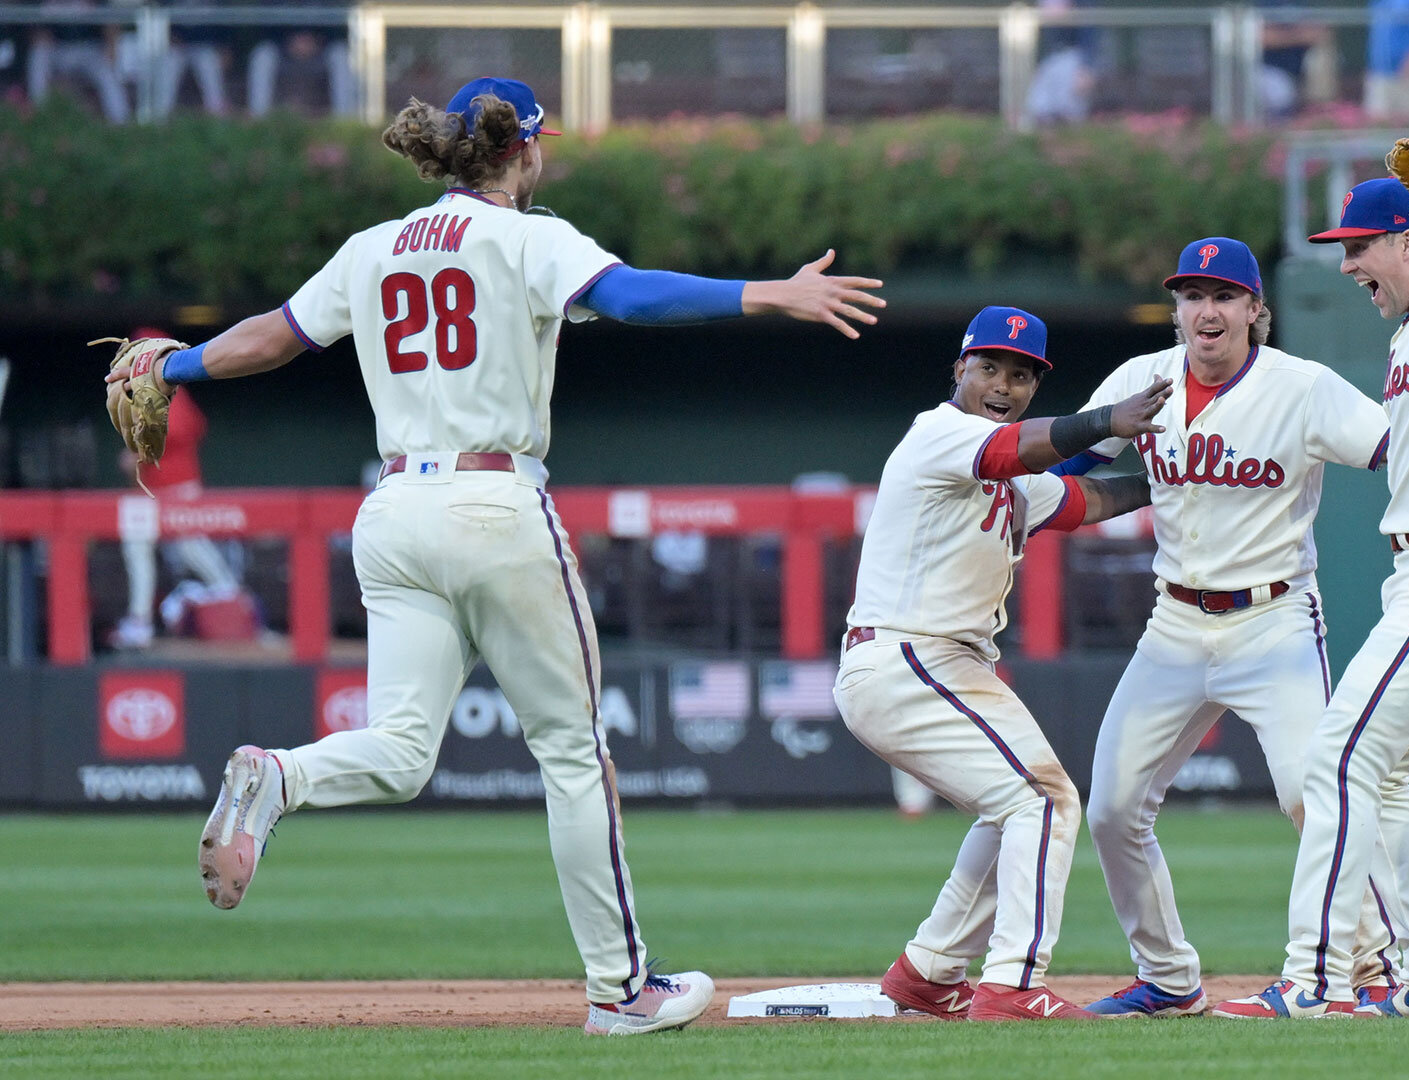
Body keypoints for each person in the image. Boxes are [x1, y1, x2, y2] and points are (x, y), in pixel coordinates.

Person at [141, 76, 885, 1037]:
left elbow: (273, 339)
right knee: (573, 753)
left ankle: (278, 777)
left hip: (395, 505)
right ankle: (621, 991)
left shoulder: (372, 249)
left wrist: (177, 363)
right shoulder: (530, 236)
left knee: (403, 751)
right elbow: (632, 297)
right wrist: (767, 292)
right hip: (495, 500)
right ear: (524, 149)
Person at [1053, 238, 1405, 1019]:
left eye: (1223, 295)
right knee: (1111, 808)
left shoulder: (1303, 387)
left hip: (1274, 618)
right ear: (1176, 310)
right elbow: (1068, 463)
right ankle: (1169, 979)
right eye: (1191, 295)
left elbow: (1397, 448)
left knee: (1313, 796)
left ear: (1257, 311)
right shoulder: (1141, 379)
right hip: (1173, 621)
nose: (1206, 311)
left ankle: (1375, 965)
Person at [1216, 174, 1409, 1019]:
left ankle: (1312, 982)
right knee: (1381, 777)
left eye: (1360, 246)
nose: (1348, 263)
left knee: (1337, 761)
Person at [838, 307, 1172, 1022]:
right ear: (959, 369)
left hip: (938, 664)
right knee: (1044, 800)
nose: (1003, 384)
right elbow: (1018, 449)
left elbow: (1086, 500)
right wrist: (1112, 418)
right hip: (909, 656)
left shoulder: (1013, 476)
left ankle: (929, 969)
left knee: (1015, 805)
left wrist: (1172, 480)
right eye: (989, 367)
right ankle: (1014, 984)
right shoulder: (942, 434)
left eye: (1020, 375)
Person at [108, 344, 242, 652]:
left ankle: (232, 599)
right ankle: (140, 621)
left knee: (190, 546)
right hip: (155, 490)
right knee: (139, 544)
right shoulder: (142, 386)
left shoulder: (167, 381)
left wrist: (140, 450)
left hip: (178, 487)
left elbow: (185, 429)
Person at [26, 0, 129, 124]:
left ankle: (121, 122)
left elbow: (111, 21)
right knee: (39, 54)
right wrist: (39, 34)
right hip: (58, 48)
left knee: (107, 74)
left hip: (89, 48)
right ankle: (39, 116)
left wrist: (111, 47)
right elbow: (31, 20)